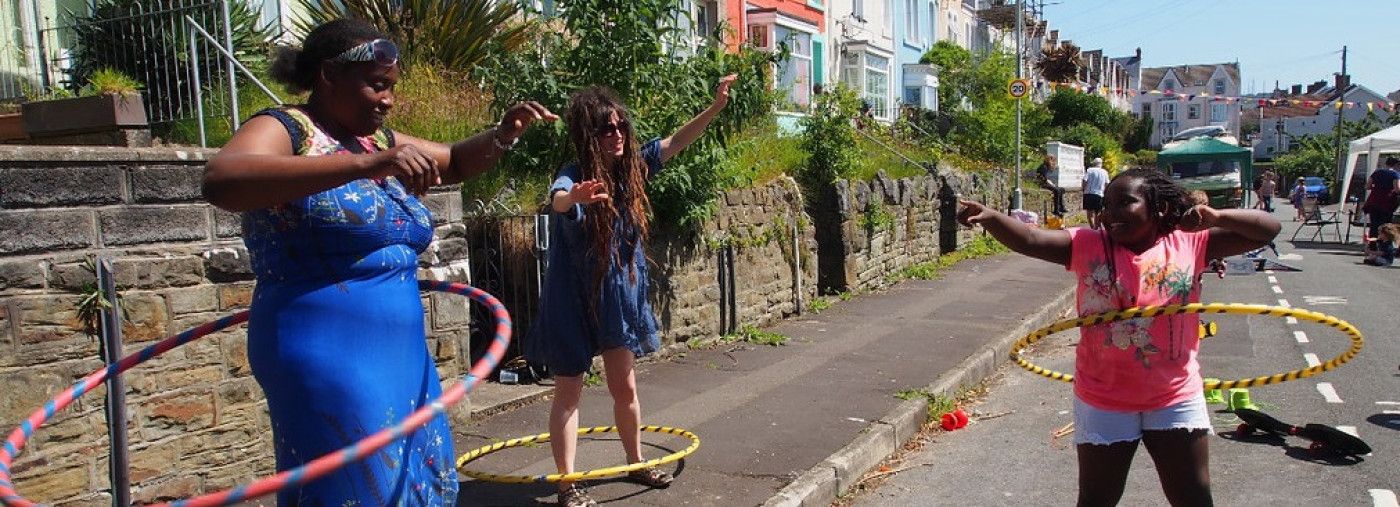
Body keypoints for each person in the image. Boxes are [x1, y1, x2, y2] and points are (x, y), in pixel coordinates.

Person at [202, 19, 556, 504]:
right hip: (325, 351)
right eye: (377, 85)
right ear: (328, 76)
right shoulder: (287, 128)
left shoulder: (377, 140)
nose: (388, 99)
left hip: (402, 353)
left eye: (391, 87)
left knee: (419, 484)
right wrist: (367, 165)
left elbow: (452, 160)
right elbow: (222, 179)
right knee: (361, 489)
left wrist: (503, 134)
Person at [956, 168, 1280, 506]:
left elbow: (1268, 230)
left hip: (1174, 396)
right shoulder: (1086, 244)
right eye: (1107, 205)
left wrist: (1217, 216)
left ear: (1159, 208)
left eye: (1124, 203)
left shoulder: (1192, 242)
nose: (1110, 214)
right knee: (1097, 500)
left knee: (1194, 499)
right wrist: (991, 217)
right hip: (1104, 397)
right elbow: (1030, 240)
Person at [527, 74, 737, 507]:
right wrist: (575, 199)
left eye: (622, 126)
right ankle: (568, 484)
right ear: (589, 134)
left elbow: (678, 140)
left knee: (626, 387)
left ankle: (635, 460)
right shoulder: (573, 175)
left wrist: (717, 106)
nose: (618, 134)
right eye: (607, 128)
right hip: (572, 299)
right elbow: (557, 200)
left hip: (617, 299)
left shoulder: (633, 169)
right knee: (569, 393)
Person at [1361, 156, 1400, 239]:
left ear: (1386, 163)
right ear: (1396, 165)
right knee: (1385, 226)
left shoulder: (1377, 172)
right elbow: (1397, 189)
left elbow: (1367, 186)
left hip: (1373, 201)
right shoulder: (1395, 174)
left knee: (1374, 225)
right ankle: (1383, 246)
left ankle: (1372, 246)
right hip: (1387, 202)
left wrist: (1376, 188)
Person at [1082, 157, 1110, 228]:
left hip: (1089, 193)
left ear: (1093, 163)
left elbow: (1085, 181)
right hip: (1100, 194)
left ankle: (1092, 228)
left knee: (1090, 213)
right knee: (1098, 212)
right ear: (1101, 164)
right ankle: (1097, 227)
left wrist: (1083, 189)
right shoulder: (1104, 172)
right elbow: (1107, 184)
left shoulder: (1089, 170)